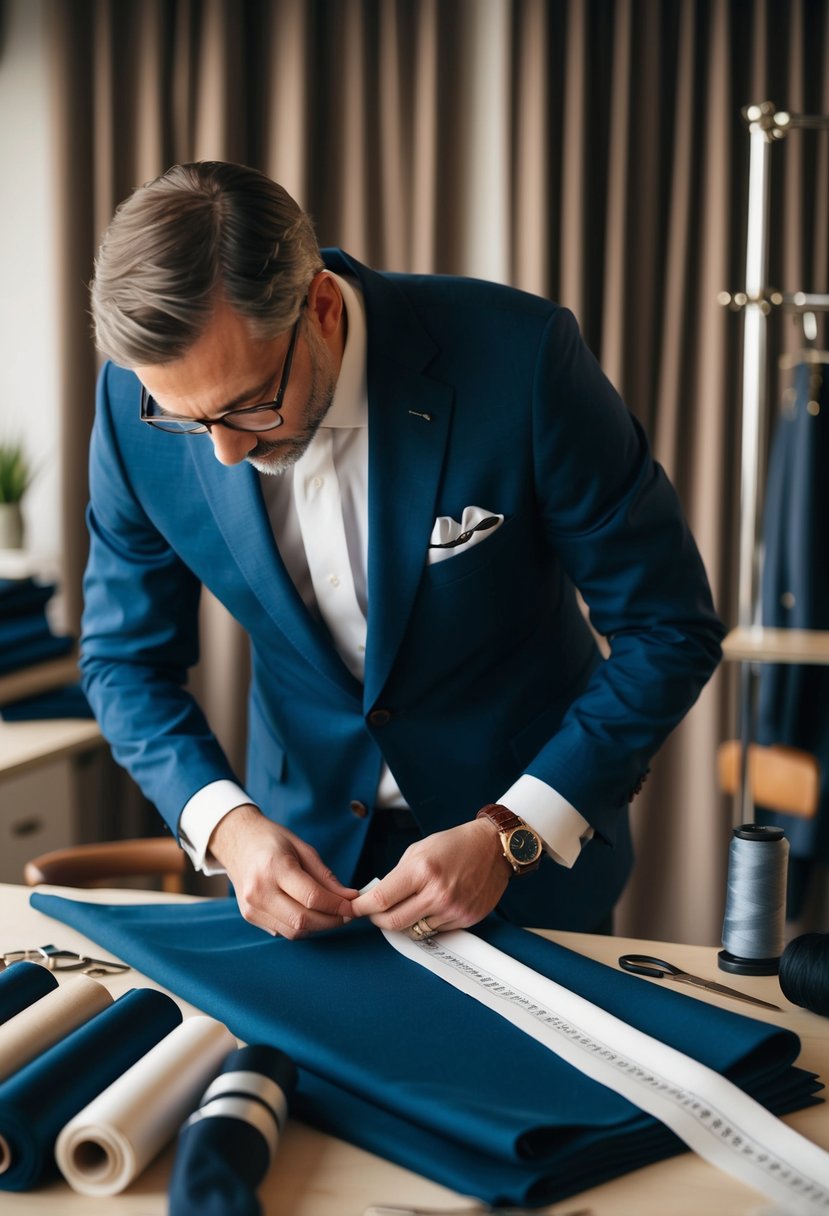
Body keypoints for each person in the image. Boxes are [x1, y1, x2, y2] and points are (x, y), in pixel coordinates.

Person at [83, 160, 724, 941]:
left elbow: (668, 629)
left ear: (318, 305)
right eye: (187, 420)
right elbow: (121, 659)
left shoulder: (521, 360)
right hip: (296, 868)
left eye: (248, 405)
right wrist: (225, 825)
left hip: (521, 861)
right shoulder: (132, 408)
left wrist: (510, 831)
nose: (220, 452)